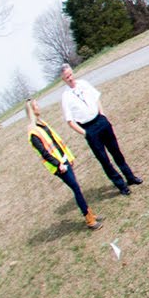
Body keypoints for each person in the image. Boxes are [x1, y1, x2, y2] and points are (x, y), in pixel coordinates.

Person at [59, 64, 141, 196]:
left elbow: (96, 98)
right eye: (66, 77)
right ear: (63, 79)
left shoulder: (83, 84)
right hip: (89, 128)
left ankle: (130, 177)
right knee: (104, 160)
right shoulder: (66, 97)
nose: (70, 78)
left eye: (70, 75)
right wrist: (85, 133)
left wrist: (102, 115)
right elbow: (70, 121)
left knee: (116, 152)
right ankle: (121, 185)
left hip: (101, 121)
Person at [28, 100, 96, 229]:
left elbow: (55, 142)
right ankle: (89, 219)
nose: (39, 106)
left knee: (77, 188)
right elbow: (44, 153)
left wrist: (67, 157)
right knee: (76, 188)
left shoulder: (41, 123)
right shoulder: (33, 132)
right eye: (36, 105)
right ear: (32, 110)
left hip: (64, 160)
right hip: (59, 166)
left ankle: (90, 214)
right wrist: (59, 164)